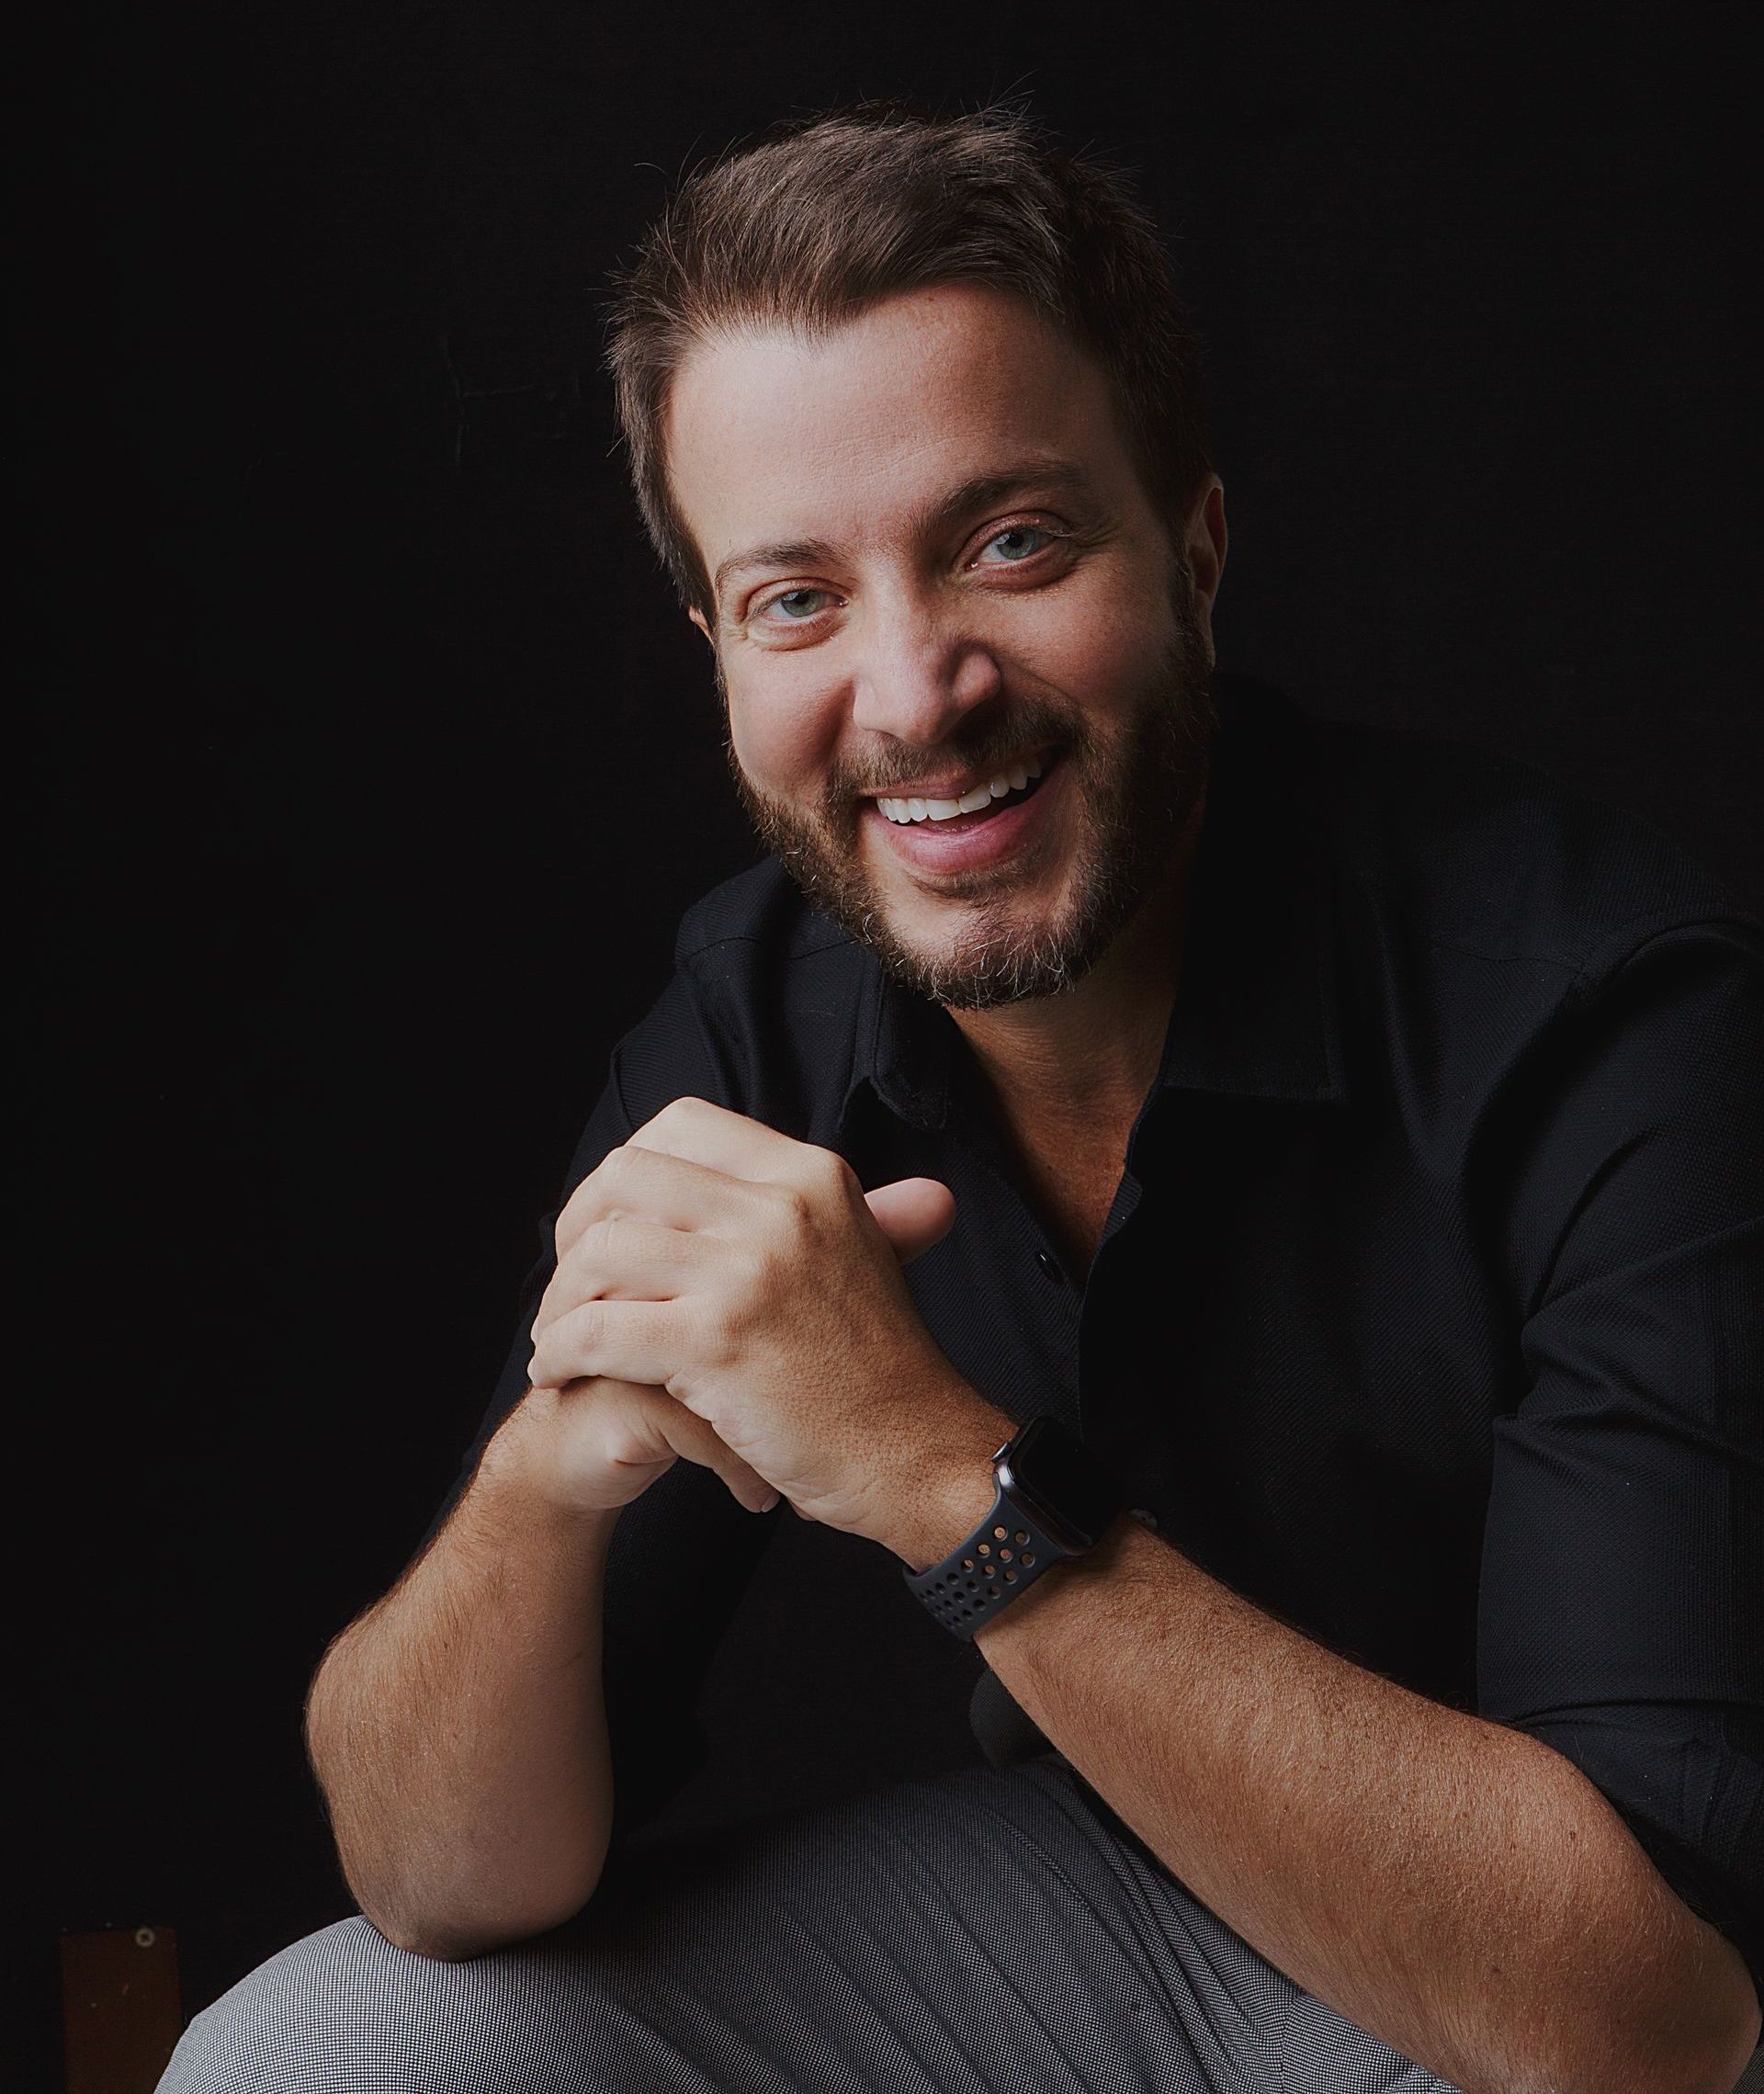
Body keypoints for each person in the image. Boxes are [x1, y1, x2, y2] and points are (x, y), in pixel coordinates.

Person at [159, 98, 1763, 2094]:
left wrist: (935, 1473)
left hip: (1572, 1946)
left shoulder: (1618, 1019)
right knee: (319, 2051)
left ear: (1193, 540)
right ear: (719, 651)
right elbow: (439, 1875)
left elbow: (1655, 2025)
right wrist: (541, 1485)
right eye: (798, 598)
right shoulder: (759, 1005)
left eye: (1009, 542)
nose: (914, 694)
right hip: (1108, 1916)